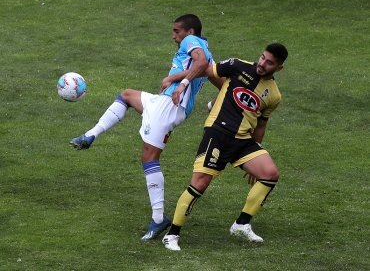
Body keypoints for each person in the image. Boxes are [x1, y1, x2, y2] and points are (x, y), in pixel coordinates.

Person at [70, 14, 221, 240]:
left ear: (189, 32)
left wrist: (181, 84)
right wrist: (209, 98)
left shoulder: (192, 43)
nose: (173, 36)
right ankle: (90, 135)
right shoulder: (205, 49)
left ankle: (159, 219)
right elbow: (210, 72)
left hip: (169, 106)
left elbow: (199, 64)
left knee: (149, 159)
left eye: (176, 31)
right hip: (166, 103)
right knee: (127, 95)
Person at [162, 43, 288, 251]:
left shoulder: (274, 95)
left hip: (244, 141)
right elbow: (206, 70)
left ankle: (241, 224)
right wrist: (184, 83)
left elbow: (261, 124)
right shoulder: (237, 65)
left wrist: (257, 151)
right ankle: (172, 235)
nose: (263, 64)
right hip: (218, 133)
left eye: (270, 63)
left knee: (270, 173)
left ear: (279, 68)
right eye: (263, 58)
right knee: (200, 184)